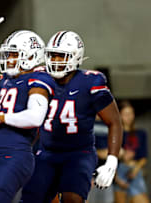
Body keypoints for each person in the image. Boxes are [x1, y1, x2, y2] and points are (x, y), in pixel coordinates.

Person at [21, 31, 123, 203]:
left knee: (72, 199)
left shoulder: (90, 82)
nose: (55, 61)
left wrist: (112, 162)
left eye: (61, 56)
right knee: (31, 199)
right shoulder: (41, 78)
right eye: (52, 56)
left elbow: (114, 122)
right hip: (46, 153)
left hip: (78, 154)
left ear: (76, 57)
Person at [0, 8, 55, 203]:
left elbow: (35, 116)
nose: (8, 59)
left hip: (16, 154)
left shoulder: (38, 79)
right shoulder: (9, 81)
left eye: (14, 54)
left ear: (31, 56)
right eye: (8, 54)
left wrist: (2, 117)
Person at [114, 101, 149, 203]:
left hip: (135, 171)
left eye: (131, 113)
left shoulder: (141, 133)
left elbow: (143, 157)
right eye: (125, 114)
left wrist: (135, 170)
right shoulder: (115, 133)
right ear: (119, 115)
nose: (129, 117)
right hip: (119, 172)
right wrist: (116, 177)